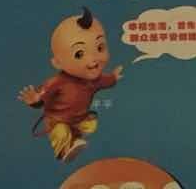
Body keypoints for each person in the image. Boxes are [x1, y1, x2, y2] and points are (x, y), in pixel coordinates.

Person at [17, 8, 124, 162]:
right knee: (61, 132)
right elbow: (42, 97)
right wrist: (35, 100)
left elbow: (106, 81)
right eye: (79, 54)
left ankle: (75, 136)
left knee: (91, 124)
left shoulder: (93, 80)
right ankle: (64, 151)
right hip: (58, 120)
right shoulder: (57, 82)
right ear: (57, 63)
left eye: (100, 48)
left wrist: (113, 77)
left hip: (80, 118)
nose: (93, 59)